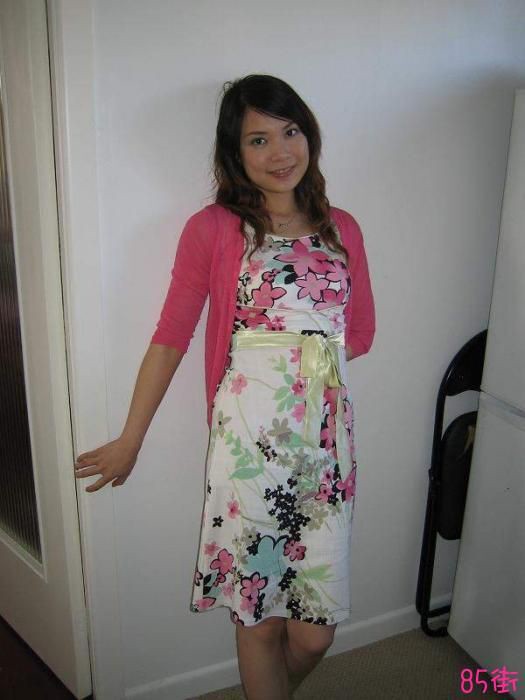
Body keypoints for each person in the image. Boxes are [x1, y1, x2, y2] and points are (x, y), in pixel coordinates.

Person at [74, 74, 375, 700]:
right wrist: (132, 438)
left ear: (310, 135)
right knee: (258, 617)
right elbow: (171, 337)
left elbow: (361, 332)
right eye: (258, 140)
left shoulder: (343, 227)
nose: (280, 152)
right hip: (247, 450)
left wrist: (306, 364)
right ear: (235, 154)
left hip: (324, 452)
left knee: (313, 635)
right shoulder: (212, 228)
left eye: (290, 132)